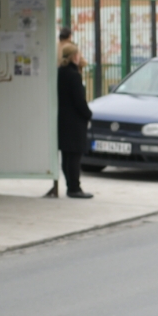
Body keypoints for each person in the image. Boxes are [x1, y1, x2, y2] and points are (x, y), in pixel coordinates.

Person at [58, 41, 94, 199]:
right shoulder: (74, 76)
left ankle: (70, 185)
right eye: (78, 54)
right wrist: (88, 114)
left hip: (63, 119)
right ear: (74, 56)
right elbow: (79, 101)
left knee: (67, 156)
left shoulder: (60, 73)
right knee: (74, 156)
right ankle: (74, 188)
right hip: (75, 121)